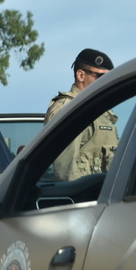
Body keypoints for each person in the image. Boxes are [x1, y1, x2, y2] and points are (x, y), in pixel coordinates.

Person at [45, 48, 119, 181]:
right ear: (81, 75)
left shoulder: (104, 112)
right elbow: (66, 171)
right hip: (84, 193)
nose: (107, 82)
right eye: (101, 77)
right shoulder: (69, 108)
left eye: (110, 77)